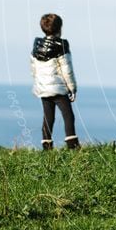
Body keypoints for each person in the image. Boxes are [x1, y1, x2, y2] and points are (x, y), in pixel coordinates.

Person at [30, 13, 80, 150]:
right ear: (60, 28)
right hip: (58, 88)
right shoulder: (61, 45)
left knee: (48, 117)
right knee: (68, 115)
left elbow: (33, 67)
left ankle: (46, 145)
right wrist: (72, 88)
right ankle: (72, 145)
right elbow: (66, 70)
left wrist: (39, 83)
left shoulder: (36, 46)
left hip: (43, 88)